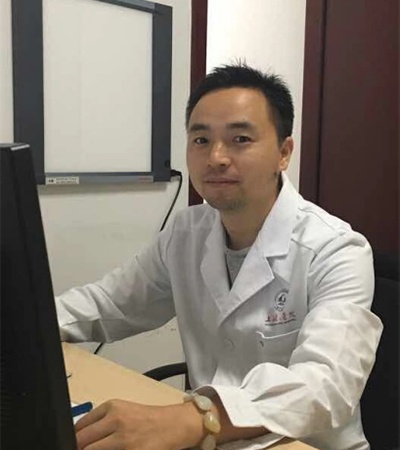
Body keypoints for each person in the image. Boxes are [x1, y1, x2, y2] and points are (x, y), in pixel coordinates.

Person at [56, 64, 383, 450]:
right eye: (201, 140)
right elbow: (108, 303)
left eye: (240, 139)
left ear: (283, 153)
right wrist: (26, 328)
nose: (216, 157)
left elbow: (326, 386)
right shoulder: (185, 234)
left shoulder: (337, 250)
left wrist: (196, 418)